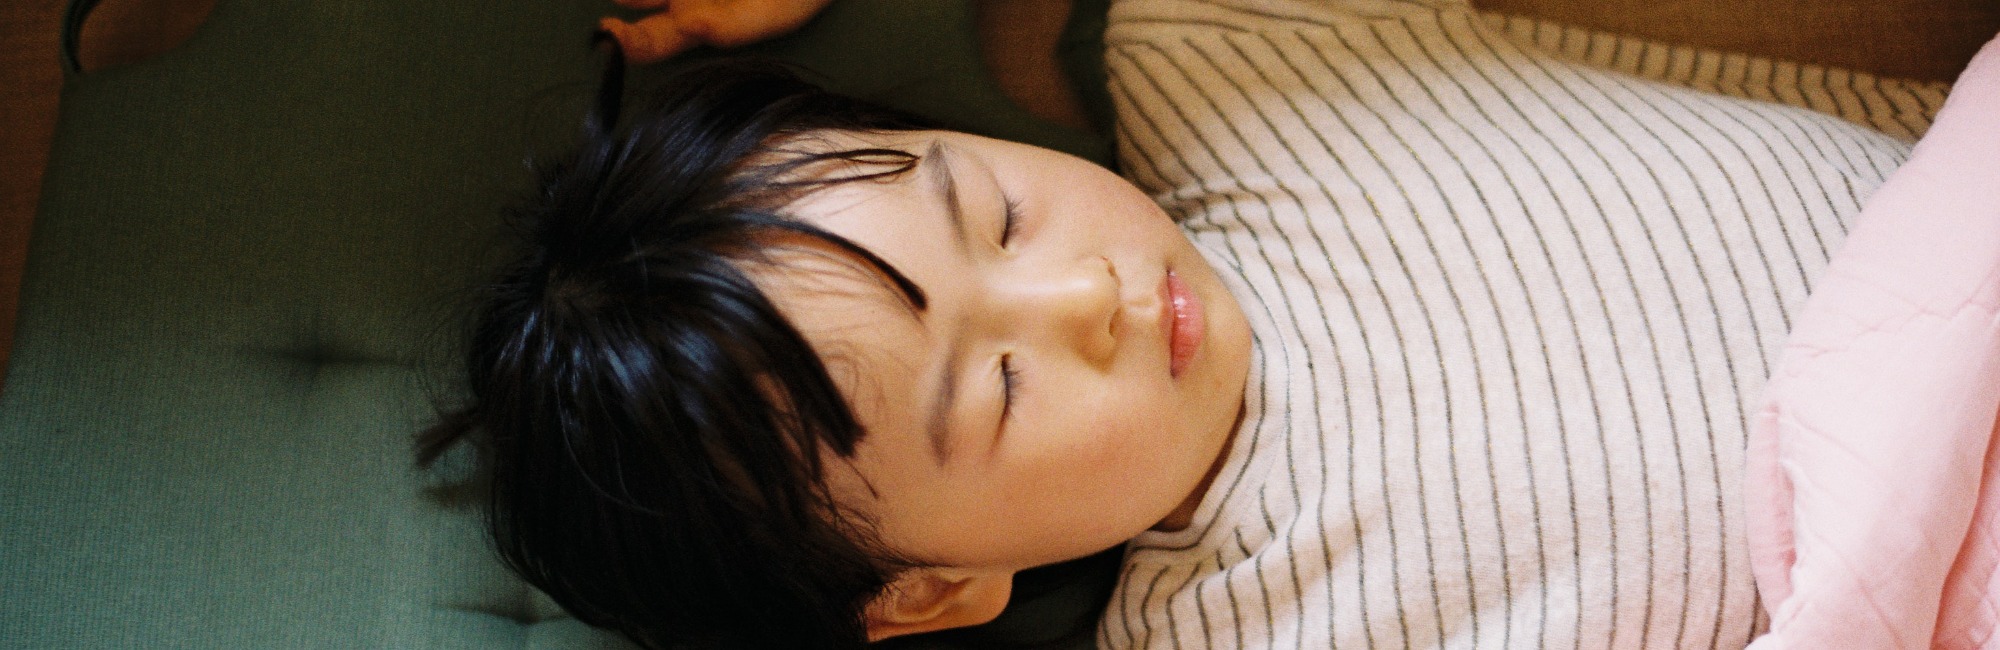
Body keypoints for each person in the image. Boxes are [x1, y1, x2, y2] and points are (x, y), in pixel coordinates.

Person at [428, 0, 1936, 647]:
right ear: (937, 591)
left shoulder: (1232, 55)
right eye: (997, 387)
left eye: (999, 214)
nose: (1078, 295)